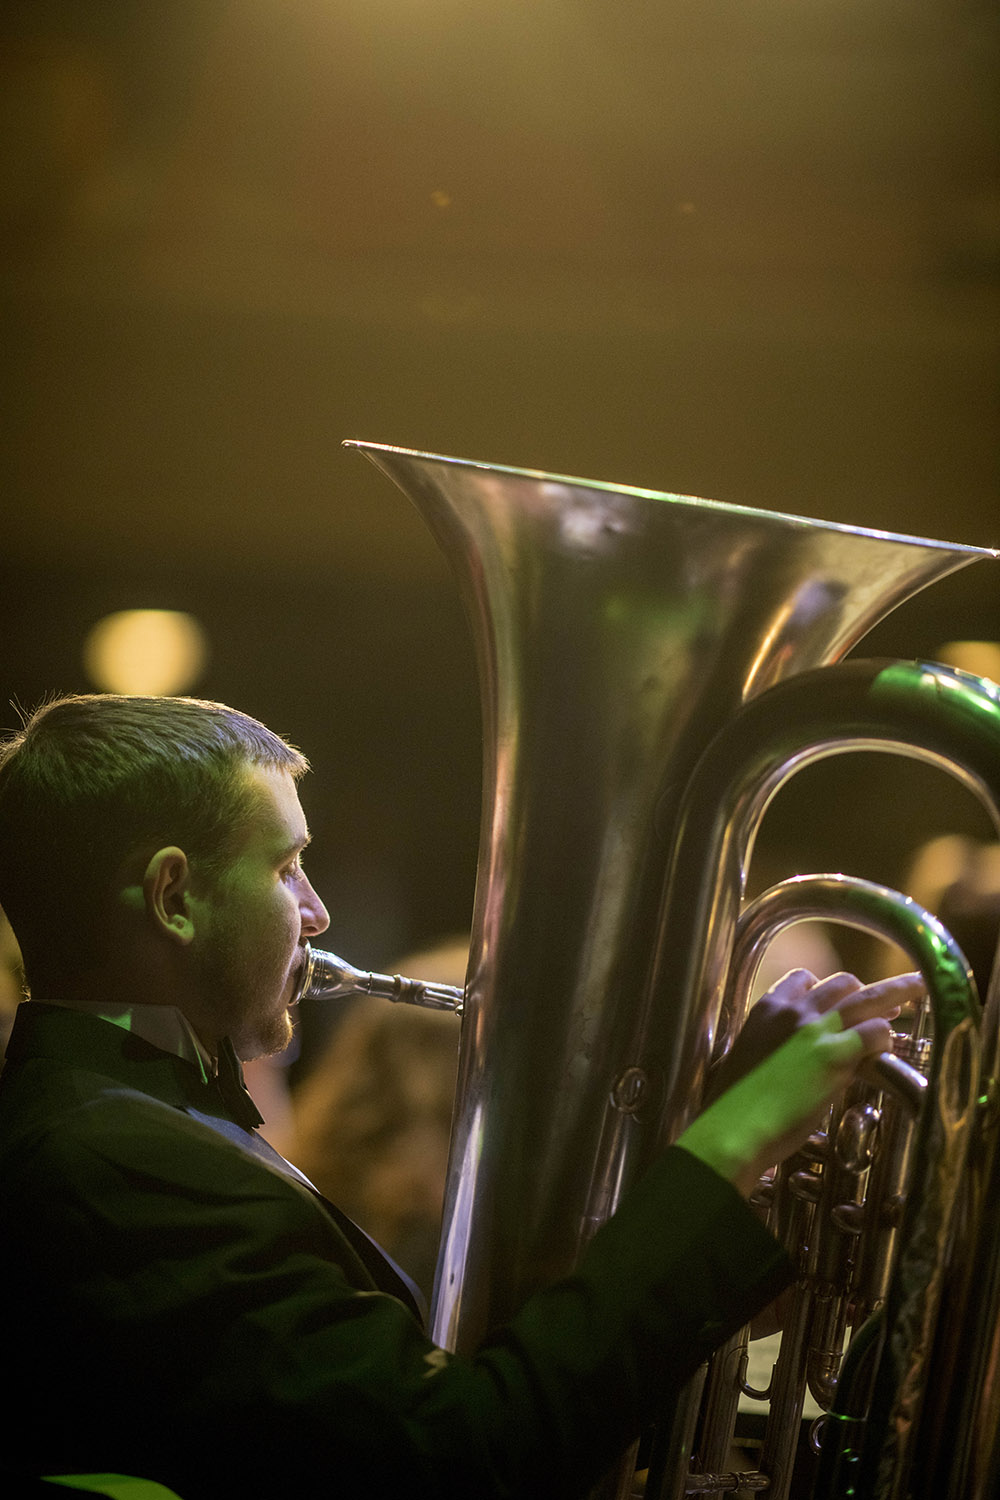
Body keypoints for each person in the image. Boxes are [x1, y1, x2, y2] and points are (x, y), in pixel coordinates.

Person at [0, 694, 919, 1500]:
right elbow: (463, 1459)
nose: (316, 912)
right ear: (174, 897)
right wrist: (733, 1143)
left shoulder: (138, 1120)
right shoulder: (122, 1159)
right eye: (286, 869)